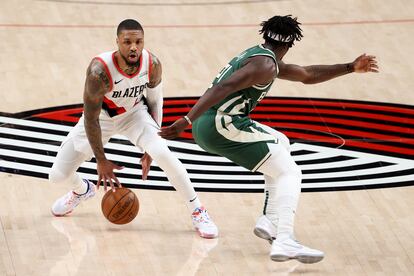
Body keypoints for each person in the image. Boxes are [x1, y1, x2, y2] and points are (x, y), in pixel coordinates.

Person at [159, 15, 378, 262]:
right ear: (290, 43)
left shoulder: (262, 57)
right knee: (290, 173)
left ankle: (270, 220)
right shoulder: (265, 66)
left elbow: (306, 74)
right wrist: (185, 121)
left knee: (281, 142)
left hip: (217, 121)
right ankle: (285, 240)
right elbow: (221, 89)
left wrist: (349, 67)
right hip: (219, 124)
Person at [50, 19, 218, 239]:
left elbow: (156, 102)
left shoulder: (152, 64)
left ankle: (197, 210)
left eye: (138, 42)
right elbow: (91, 119)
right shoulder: (98, 71)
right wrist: (101, 160)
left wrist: (150, 147)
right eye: (127, 42)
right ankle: (83, 189)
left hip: (134, 115)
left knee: (162, 152)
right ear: (117, 42)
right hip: (101, 118)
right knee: (57, 175)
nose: (133, 47)